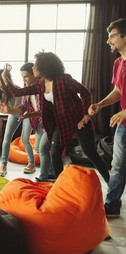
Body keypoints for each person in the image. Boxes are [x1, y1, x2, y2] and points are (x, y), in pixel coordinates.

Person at [1, 52, 110, 184]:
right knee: (55, 153)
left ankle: (110, 183)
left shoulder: (64, 80)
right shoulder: (40, 85)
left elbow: (84, 92)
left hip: (79, 121)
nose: (34, 68)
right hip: (62, 123)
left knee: (91, 153)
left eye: (36, 65)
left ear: (45, 66)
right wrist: (4, 77)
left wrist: (86, 115)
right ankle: (60, 186)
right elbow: (17, 92)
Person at [89, 18, 126, 217]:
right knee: (117, 165)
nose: (108, 41)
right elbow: (119, 91)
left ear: (124, 36)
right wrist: (100, 104)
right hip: (124, 125)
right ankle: (112, 206)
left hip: (124, 117)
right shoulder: (118, 63)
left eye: (112, 36)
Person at [0, 63, 56, 181]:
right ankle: (50, 173)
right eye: (22, 77)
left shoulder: (42, 87)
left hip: (50, 123)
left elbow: (46, 110)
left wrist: (5, 77)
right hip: (40, 123)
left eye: (26, 76)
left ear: (35, 75)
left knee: (43, 148)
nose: (23, 79)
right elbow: (22, 107)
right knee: (40, 149)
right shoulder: (28, 90)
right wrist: (9, 110)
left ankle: (46, 175)